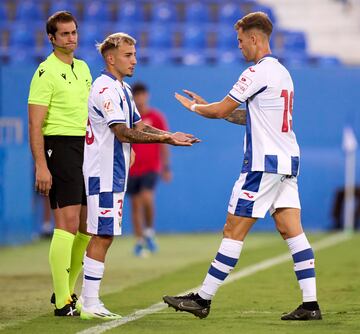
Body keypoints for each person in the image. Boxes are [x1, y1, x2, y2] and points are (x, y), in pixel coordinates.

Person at [163, 12, 322, 321]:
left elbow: (223, 109)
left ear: (253, 38)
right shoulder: (282, 73)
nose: (238, 47)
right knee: (292, 230)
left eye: (240, 41)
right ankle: (311, 304)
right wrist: (212, 106)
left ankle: (203, 298)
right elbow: (247, 117)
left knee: (232, 229)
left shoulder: (256, 72)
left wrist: (196, 107)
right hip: (287, 161)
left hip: (263, 164)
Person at [80, 32, 199, 320]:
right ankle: (90, 303)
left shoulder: (123, 88)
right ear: (111, 58)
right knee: (102, 234)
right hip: (103, 172)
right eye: (128, 55)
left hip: (115, 171)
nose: (134, 60)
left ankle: (88, 300)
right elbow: (122, 132)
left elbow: (139, 124)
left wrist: (170, 134)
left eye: (134, 54)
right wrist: (166, 141)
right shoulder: (105, 89)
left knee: (104, 234)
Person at [28, 11, 92, 316]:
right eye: (64, 34)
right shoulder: (45, 72)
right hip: (60, 147)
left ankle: (64, 291)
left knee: (86, 227)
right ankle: (65, 301)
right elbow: (35, 124)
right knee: (65, 225)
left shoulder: (83, 68)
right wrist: (41, 165)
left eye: (74, 32)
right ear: (51, 39)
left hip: (85, 148)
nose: (71, 38)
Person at [127, 82, 171, 256]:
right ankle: (139, 241)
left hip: (151, 167)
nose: (139, 98)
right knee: (135, 204)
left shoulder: (156, 117)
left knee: (147, 197)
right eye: (136, 95)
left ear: (147, 96)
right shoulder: (128, 119)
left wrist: (166, 167)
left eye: (142, 95)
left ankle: (150, 231)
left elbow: (165, 142)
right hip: (131, 168)